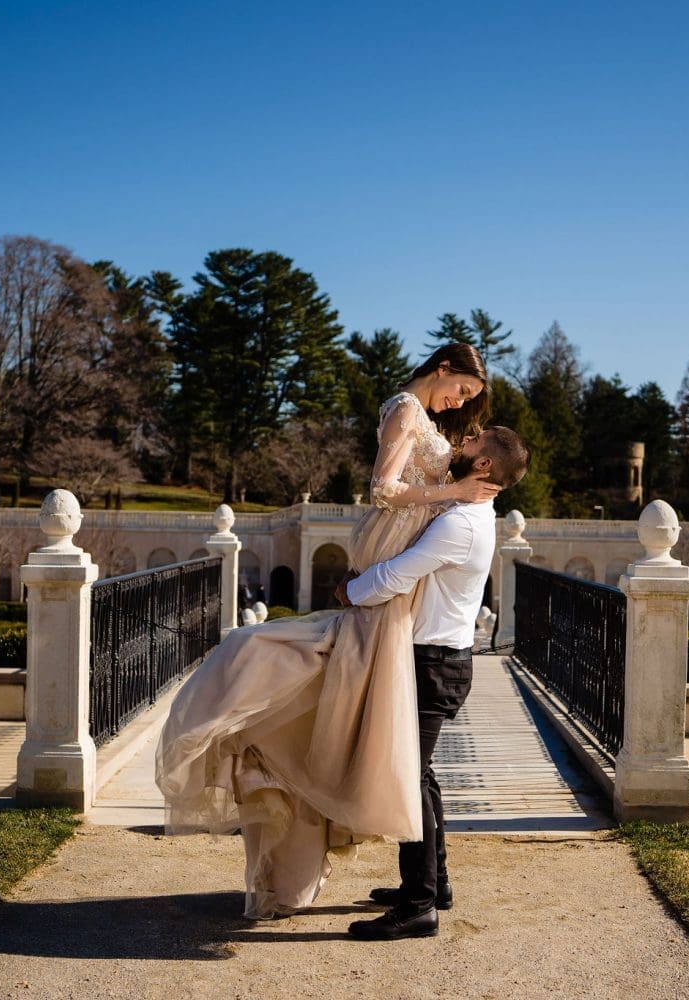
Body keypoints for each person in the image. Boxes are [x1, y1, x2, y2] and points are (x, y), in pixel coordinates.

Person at [156, 343, 497, 919]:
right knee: (385, 734)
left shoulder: (426, 424)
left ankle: (428, 887)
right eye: (461, 391)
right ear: (443, 369)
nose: (458, 405)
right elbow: (383, 490)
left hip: (401, 585)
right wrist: (452, 492)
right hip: (392, 574)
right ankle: (421, 887)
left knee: (405, 752)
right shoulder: (406, 410)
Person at [341, 427, 530, 940]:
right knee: (420, 777)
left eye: (476, 441)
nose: (464, 440)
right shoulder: (467, 514)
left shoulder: (462, 525)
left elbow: (396, 577)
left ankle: (419, 906)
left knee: (408, 778)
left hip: (433, 664)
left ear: (484, 466)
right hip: (439, 659)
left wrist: (349, 591)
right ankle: (434, 885)